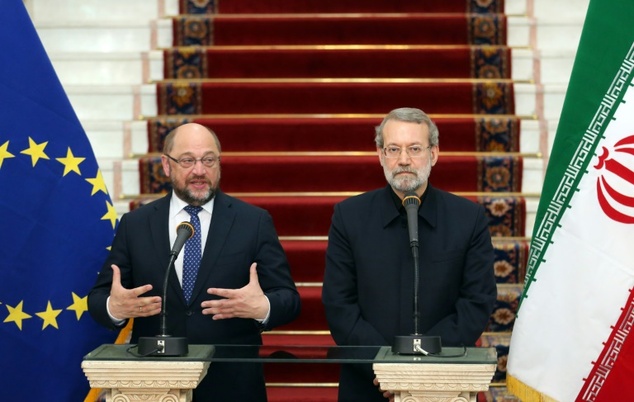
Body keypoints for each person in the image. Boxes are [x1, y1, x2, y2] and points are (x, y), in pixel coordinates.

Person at [88, 122, 301, 401]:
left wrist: (262, 307)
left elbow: (290, 300)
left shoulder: (253, 222)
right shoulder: (136, 224)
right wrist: (114, 308)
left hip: (232, 384)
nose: (199, 171)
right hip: (155, 384)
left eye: (209, 160)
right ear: (166, 165)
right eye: (188, 160)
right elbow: (99, 298)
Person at [322, 107, 497, 401]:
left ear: (434, 154)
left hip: (444, 382)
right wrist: (386, 369)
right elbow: (339, 306)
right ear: (380, 155)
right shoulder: (349, 216)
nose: (404, 159)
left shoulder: (468, 218)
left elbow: (476, 302)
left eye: (414, 148)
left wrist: (424, 369)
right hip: (369, 381)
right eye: (393, 149)